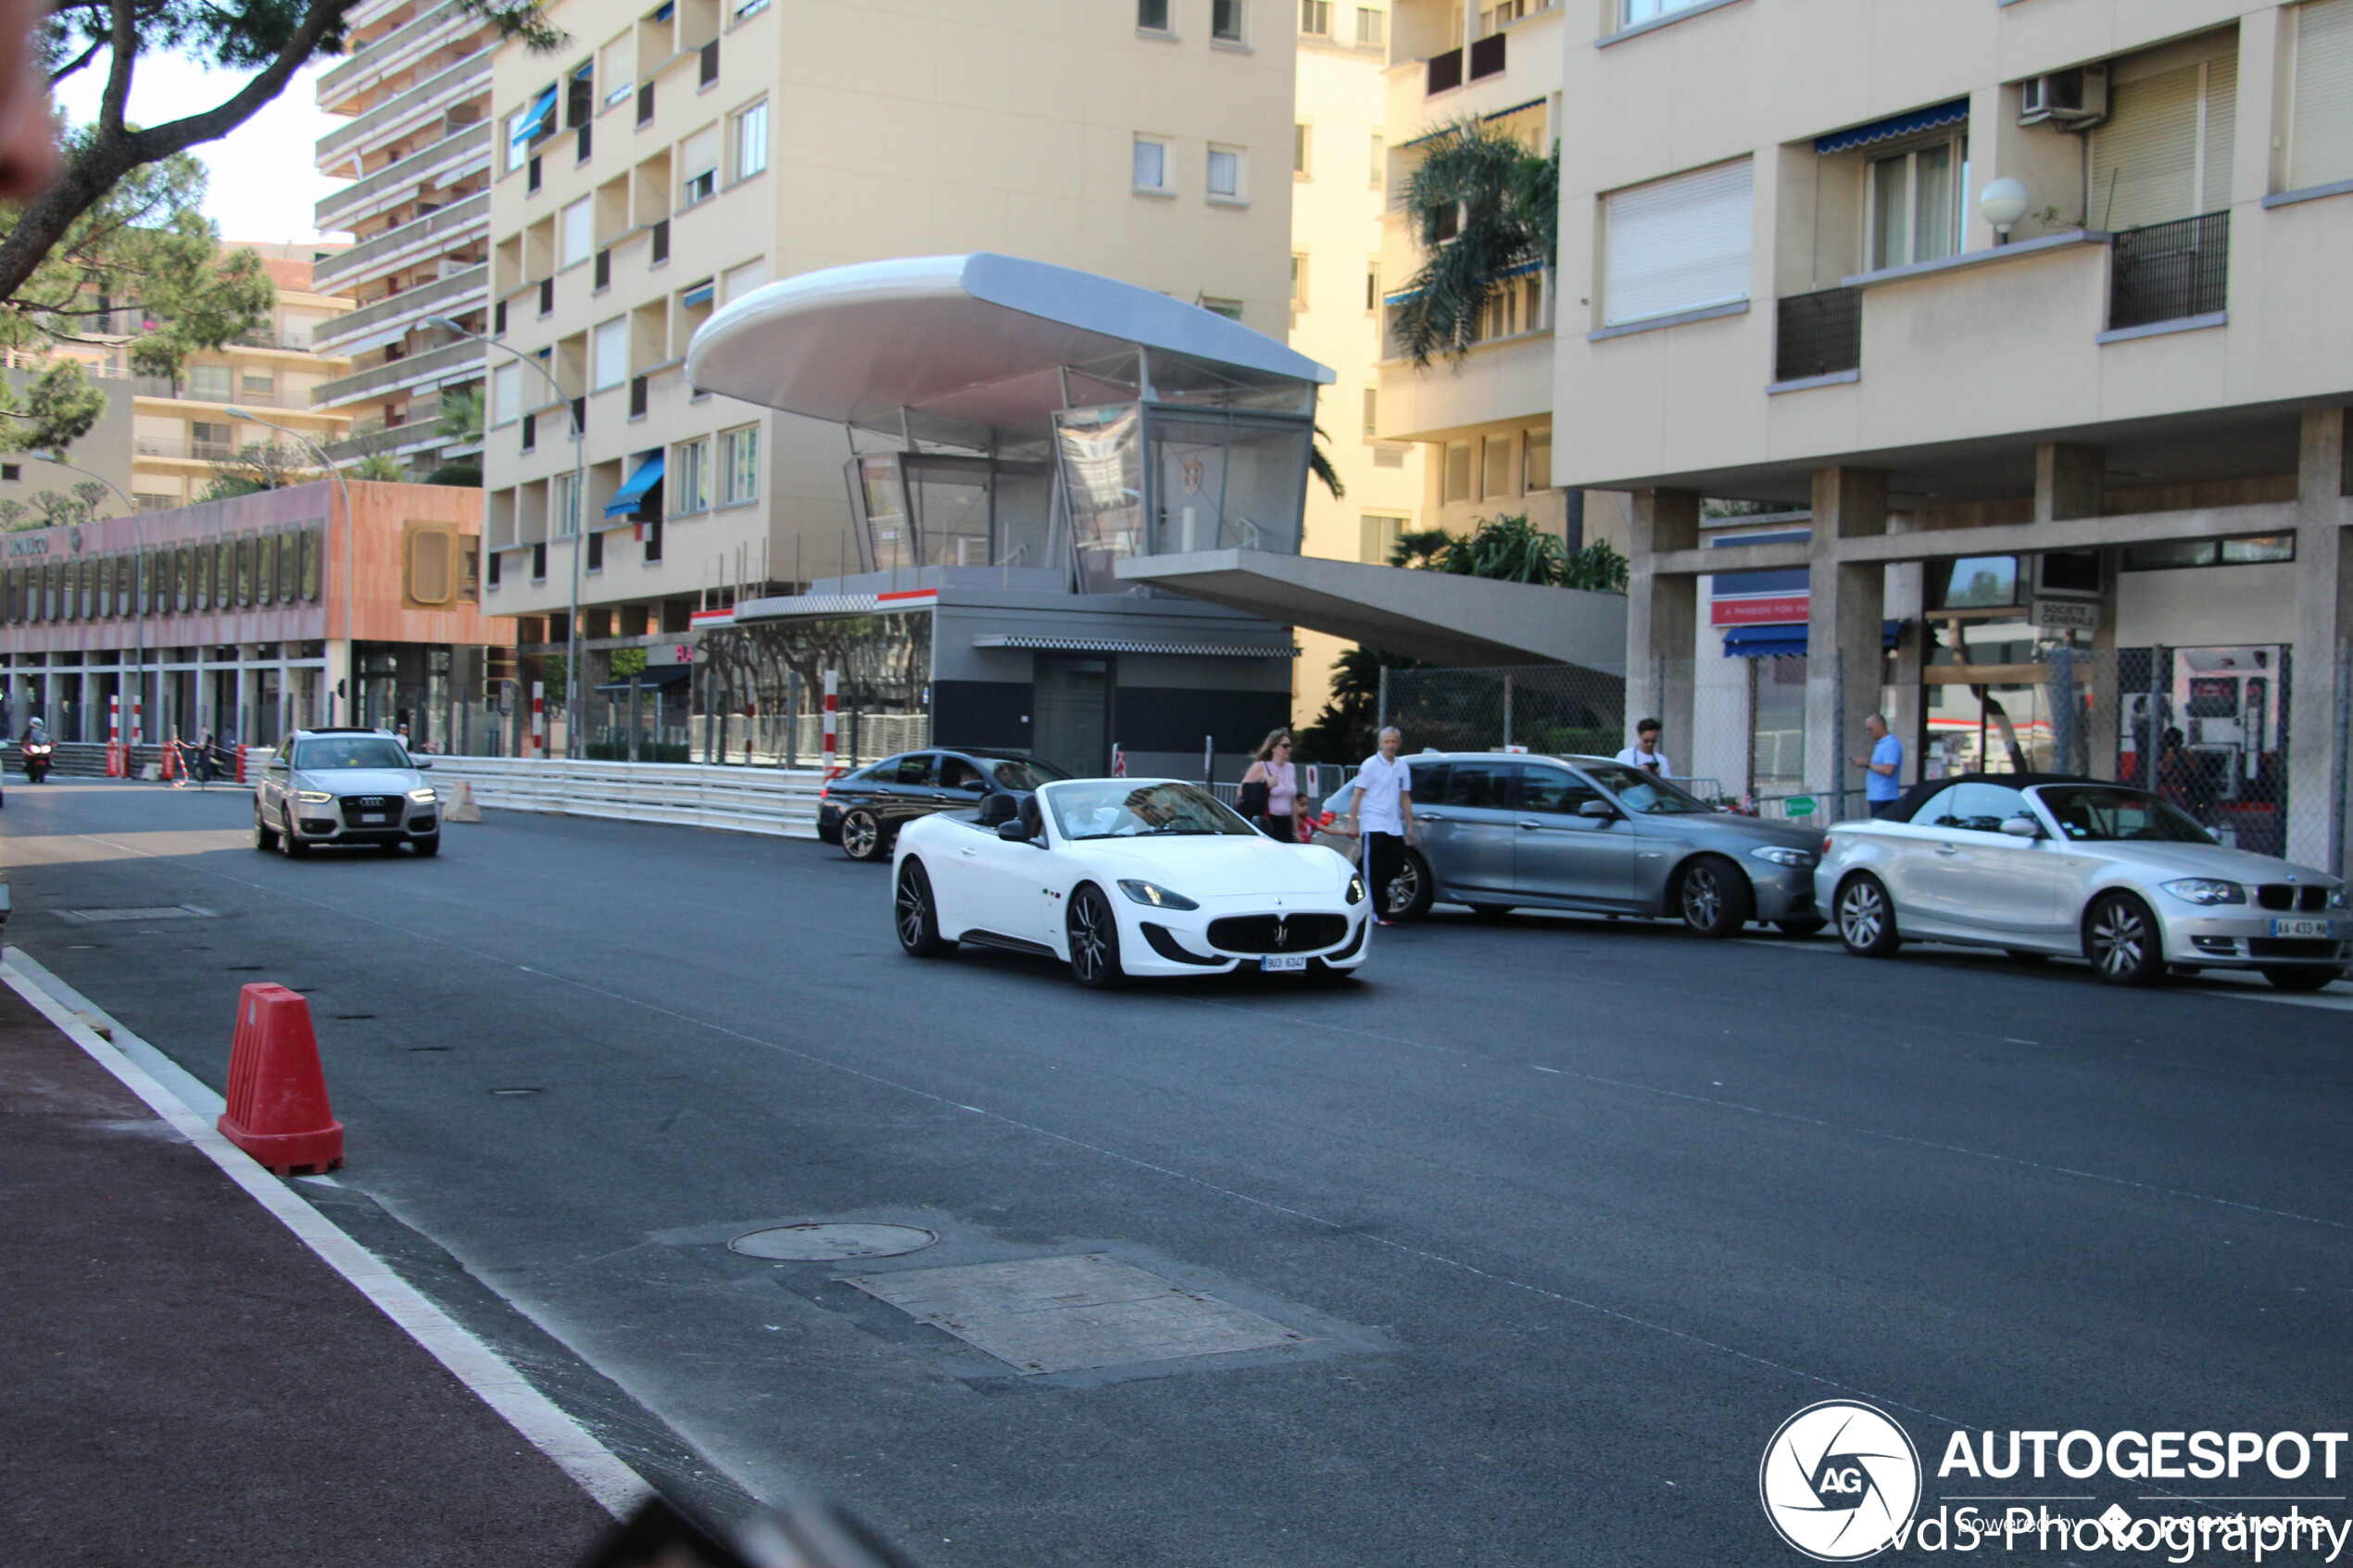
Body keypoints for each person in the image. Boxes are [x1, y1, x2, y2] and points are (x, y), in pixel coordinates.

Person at [1346, 726, 1416, 926]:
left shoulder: (1402, 767)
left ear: (1399, 744)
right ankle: (1378, 912)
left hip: (1393, 825)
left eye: (1394, 742)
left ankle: (1374, 899)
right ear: (1380, 743)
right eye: (1387, 742)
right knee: (1375, 869)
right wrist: (1354, 821)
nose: (1391, 745)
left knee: (1395, 866)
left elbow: (1405, 797)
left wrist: (1410, 826)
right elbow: (1358, 793)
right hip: (1374, 823)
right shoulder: (1370, 765)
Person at [1239, 728, 1307, 842]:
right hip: (1268, 821)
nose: (1288, 749)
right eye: (1285, 746)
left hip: (1286, 823)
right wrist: (1266, 785)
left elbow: (1293, 801)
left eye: (1290, 746)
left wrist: (1296, 830)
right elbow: (1241, 791)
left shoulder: (1291, 768)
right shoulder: (1261, 766)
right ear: (1273, 748)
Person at [1850, 712, 1904, 819]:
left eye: (1870, 729)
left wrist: (1868, 763)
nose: (1869, 733)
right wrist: (1865, 764)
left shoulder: (1890, 744)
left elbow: (1889, 770)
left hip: (1884, 797)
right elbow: (1879, 767)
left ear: (1880, 726)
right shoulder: (1881, 744)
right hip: (1877, 795)